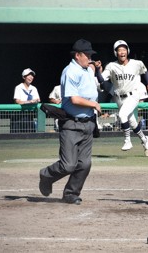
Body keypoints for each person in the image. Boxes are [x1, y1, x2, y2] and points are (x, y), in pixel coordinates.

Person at [39, 39, 102, 205]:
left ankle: (70, 194)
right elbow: (74, 99)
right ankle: (46, 175)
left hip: (88, 123)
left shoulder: (87, 68)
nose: (89, 58)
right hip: (71, 124)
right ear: (77, 55)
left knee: (85, 164)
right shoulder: (70, 71)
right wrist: (94, 104)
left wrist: (96, 66)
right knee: (68, 165)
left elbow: (92, 68)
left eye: (90, 55)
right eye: (87, 55)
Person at [101, 40, 148, 156]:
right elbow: (102, 79)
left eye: (124, 49)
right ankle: (145, 140)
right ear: (115, 53)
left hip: (133, 95)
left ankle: (127, 141)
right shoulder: (111, 66)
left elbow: (145, 72)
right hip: (119, 98)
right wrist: (97, 72)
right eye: (119, 50)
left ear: (128, 51)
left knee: (122, 115)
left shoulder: (137, 63)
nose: (122, 52)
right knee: (133, 123)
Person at [12, 68, 41, 133]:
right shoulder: (18, 87)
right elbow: (17, 101)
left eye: (32, 75)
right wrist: (30, 101)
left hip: (29, 116)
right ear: (23, 77)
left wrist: (35, 101)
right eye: (29, 75)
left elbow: (38, 99)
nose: (31, 77)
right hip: (19, 116)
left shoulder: (34, 88)